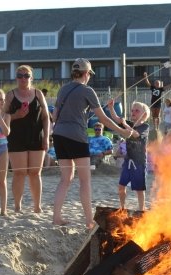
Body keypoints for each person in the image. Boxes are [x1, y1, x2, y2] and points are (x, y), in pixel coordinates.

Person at [52, 58, 136, 227]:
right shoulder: (87, 90)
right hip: (76, 136)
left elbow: (54, 116)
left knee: (65, 179)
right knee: (85, 179)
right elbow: (103, 119)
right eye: (89, 73)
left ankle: (56, 217)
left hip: (59, 135)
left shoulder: (63, 89)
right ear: (86, 73)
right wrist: (122, 131)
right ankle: (89, 220)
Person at [4, 65, 50, 213]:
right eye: (20, 75)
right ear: (16, 77)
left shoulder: (38, 94)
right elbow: (2, 118)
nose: (23, 78)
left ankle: (37, 206)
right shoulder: (10, 95)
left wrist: (47, 137)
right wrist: (17, 115)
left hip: (36, 136)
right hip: (16, 137)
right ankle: (17, 206)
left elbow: (45, 117)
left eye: (26, 75)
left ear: (31, 77)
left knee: (35, 172)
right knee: (20, 173)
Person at [108, 100, 150, 211]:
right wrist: (111, 108)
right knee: (121, 186)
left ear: (144, 115)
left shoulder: (145, 126)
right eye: (132, 110)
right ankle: (122, 207)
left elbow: (135, 135)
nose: (133, 112)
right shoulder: (130, 124)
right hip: (128, 161)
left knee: (139, 189)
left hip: (139, 163)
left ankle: (141, 209)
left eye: (137, 111)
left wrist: (125, 125)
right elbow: (116, 119)